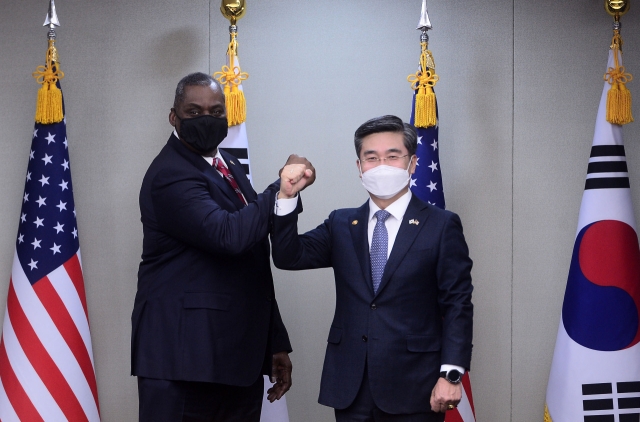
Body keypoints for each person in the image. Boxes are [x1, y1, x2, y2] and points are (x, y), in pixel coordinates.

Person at [131, 72, 314, 421]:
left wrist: (274, 341)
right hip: (183, 360)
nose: (207, 119)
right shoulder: (170, 174)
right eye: (194, 110)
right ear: (174, 116)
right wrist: (282, 187)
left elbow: (252, 257)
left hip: (235, 357)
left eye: (216, 112)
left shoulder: (227, 165)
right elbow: (228, 236)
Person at [271, 115, 473, 421]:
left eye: (393, 156)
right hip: (351, 387)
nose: (381, 165)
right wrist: (286, 195)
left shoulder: (441, 225)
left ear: (413, 163)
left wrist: (452, 374)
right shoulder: (341, 223)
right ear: (359, 167)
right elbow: (288, 257)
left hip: (417, 385)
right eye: (371, 157)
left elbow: (457, 303)